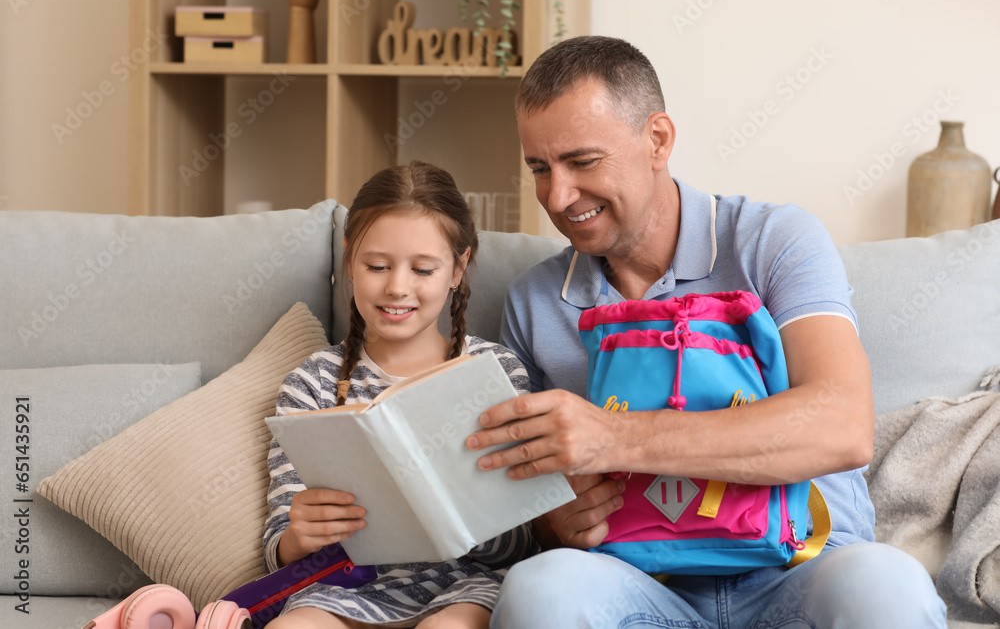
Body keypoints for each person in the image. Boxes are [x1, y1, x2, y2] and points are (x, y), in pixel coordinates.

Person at [464, 36, 947, 628]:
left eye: (582, 162)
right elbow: (520, 492)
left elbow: (842, 426)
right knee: (541, 587)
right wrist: (553, 520)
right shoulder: (534, 301)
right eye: (539, 168)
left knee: (888, 583)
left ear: (658, 140)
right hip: (637, 585)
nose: (557, 197)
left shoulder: (776, 241)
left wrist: (614, 436)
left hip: (805, 570)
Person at [262, 161, 537, 629]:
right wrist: (298, 537)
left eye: (423, 269)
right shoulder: (312, 382)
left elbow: (523, 541)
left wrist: (462, 519)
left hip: (464, 587)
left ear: (458, 268)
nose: (397, 287)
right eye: (377, 266)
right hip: (344, 588)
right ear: (350, 260)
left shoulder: (495, 373)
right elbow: (278, 550)